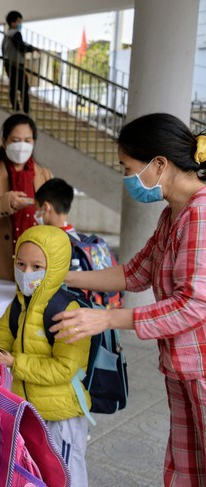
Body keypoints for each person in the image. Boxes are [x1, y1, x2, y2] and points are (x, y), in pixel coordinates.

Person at [51, 113, 206, 485]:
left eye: (127, 166)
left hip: (202, 366)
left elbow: (194, 306)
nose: (126, 177)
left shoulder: (200, 214)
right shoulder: (173, 214)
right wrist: (57, 274)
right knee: (188, 465)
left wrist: (106, 319)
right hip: (183, 365)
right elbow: (134, 273)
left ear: (159, 164)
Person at [0, 225, 90, 487]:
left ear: (55, 267)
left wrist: (14, 362)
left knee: (66, 476)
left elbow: (63, 369)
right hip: (29, 411)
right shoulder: (19, 303)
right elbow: (0, 341)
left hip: (61, 415)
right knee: (34, 473)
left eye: (37, 267)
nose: (26, 273)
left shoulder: (67, 310)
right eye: (20, 264)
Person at [0, 114, 52, 281]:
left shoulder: (44, 175)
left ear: (33, 142)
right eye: (15, 140)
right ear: (4, 140)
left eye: (27, 140)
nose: (22, 146)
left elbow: (54, 217)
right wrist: (6, 202)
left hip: (38, 261)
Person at [2, 10, 35, 113]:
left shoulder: (6, 35)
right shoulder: (16, 34)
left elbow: (3, 49)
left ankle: (16, 106)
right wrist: (31, 49)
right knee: (24, 87)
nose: (20, 24)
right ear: (13, 23)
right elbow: (21, 47)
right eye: (19, 21)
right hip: (16, 64)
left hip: (8, 63)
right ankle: (25, 109)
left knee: (14, 85)